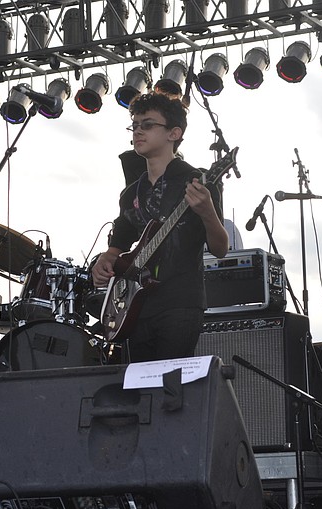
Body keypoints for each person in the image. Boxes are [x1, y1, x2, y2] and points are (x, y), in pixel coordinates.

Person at [91, 92, 228, 362]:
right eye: (135, 125)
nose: (138, 131)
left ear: (173, 133)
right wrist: (103, 263)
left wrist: (208, 212)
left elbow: (220, 248)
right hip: (133, 307)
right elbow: (116, 249)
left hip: (180, 303)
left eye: (148, 124)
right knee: (138, 388)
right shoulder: (131, 193)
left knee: (171, 389)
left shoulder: (198, 181)